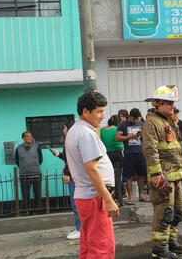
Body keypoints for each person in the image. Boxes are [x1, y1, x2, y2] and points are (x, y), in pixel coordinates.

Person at [65, 91, 118, 259]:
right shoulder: (87, 134)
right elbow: (92, 169)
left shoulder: (75, 130)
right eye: (99, 111)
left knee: (89, 246)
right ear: (86, 112)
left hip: (86, 196)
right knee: (102, 248)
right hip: (95, 197)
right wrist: (108, 199)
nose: (102, 116)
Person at [142, 85, 182, 258]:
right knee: (164, 213)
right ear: (158, 104)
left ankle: (171, 242)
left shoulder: (171, 122)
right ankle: (159, 248)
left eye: (173, 103)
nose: (172, 106)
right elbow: (150, 149)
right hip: (163, 177)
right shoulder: (151, 122)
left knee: (177, 212)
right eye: (169, 103)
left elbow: (179, 148)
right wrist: (156, 175)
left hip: (176, 176)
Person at [50, 121, 80, 240]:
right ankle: (80, 227)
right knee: (77, 203)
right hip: (75, 175)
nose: (63, 130)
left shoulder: (70, 141)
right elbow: (67, 158)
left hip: (73, 177)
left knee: (76, 203)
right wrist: (58, 154)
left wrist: (67, 173)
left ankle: (80, 229)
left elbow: (72, 160)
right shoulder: (71, 141)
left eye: (64, 128)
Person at [115, 108, 148, 205]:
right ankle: (130, 197)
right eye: (134, 119)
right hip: (129, 153)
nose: (136, 121)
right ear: (130, 116)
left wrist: (142, 135)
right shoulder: (122, 124)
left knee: (142, 174)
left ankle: (141, 195)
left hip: (141, 152)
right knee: (129, 175)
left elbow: (147, 136)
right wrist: (129, 137)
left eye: (138, 119)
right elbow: (117, 138)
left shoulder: (142, 124)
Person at [14, 131, 43, 212]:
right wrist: (24, 167)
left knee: (37, 193)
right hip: (24, 174)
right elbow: (17, 161)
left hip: (36, 174)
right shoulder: (19, 148)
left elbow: (40, 159)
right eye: (27, 136)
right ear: (23, 138)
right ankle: (27, 210)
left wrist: (33, 166)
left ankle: (38, 209)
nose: (29, 138)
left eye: (30, 136)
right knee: (25, 194)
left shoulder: (37, 147)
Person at [101, 115, 125, 206]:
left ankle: (111, 197)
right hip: (118, 154)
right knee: (118, 177)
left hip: (107, 155)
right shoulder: (117, 129)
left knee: (108, 178)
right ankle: (120, 199)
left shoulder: (102, 130)